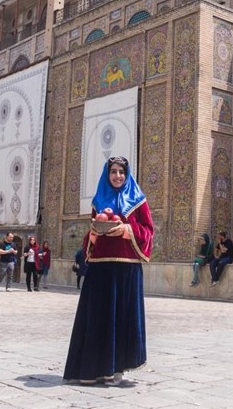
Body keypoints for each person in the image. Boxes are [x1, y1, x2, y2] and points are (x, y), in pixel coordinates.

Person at [64, 156, 154, 386]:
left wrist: (126, 229)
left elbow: (148, 231)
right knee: (98, 318)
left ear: (127, 174)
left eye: (121, 172)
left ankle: (115, 370)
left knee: (120, 318)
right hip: (100, 268)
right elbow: (91, 237)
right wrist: (93, 234)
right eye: (113, 172)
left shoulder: (138, 201)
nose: (117, 176)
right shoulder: (99, 200)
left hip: (126, 269)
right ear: (107, 174)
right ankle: (93, 369)